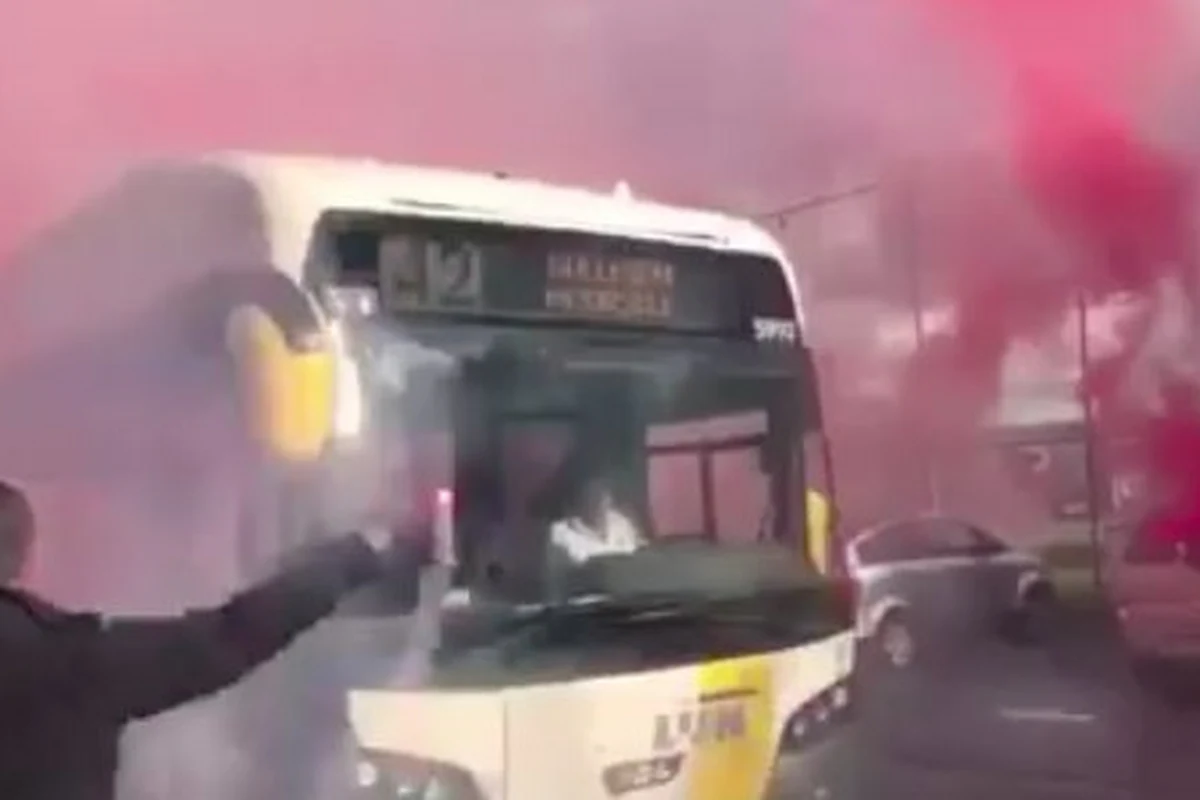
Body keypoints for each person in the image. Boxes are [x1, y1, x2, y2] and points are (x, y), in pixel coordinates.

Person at [0, 479, 419, 800]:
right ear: (21, 556)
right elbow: (230, 637)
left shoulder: (67, 658)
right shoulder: (68, 662)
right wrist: (352, 557)